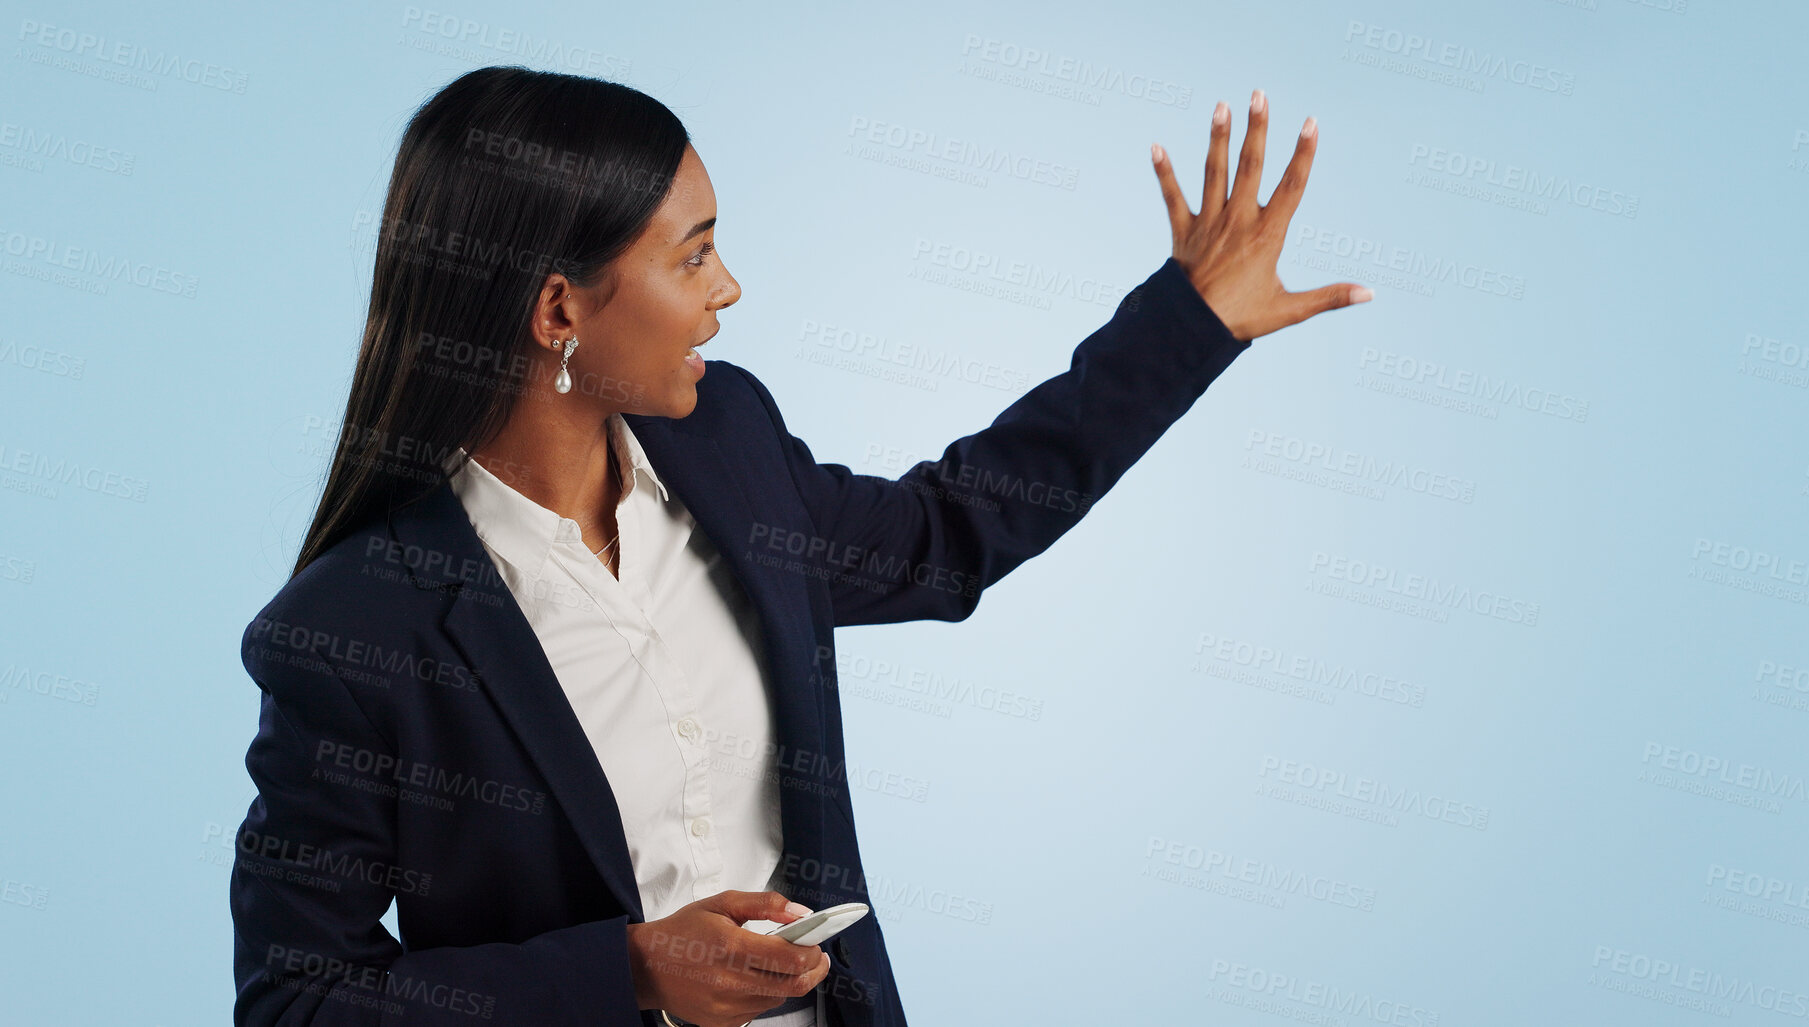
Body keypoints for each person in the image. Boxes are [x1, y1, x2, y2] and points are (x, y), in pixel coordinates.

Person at [229, 64, 1369, 1027]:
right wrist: (626, 971)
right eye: (692, 257)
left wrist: (1190, 321)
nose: (728, 289)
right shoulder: (352, 631)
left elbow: (948, 531)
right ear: (559, 311)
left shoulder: (726, 442)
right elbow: (297, 999)